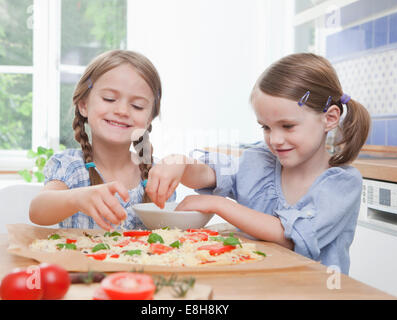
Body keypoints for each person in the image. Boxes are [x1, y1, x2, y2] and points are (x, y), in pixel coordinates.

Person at [145, 53, 370, 274]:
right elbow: (208, 174)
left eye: (288, 126)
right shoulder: (261, 160)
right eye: (266, 127)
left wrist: (219, 204)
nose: (275, 139)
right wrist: (180, 163)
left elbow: (288, 236)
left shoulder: (342, 184)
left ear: (329, 118)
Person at [30, 50, 175, 230]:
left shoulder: (158, 176)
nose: (122, 110)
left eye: (137, 106)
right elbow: (37, 210)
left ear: (149, 120)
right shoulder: (72, 167)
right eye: (109, 98)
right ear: (83, 105)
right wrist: (77, 198)